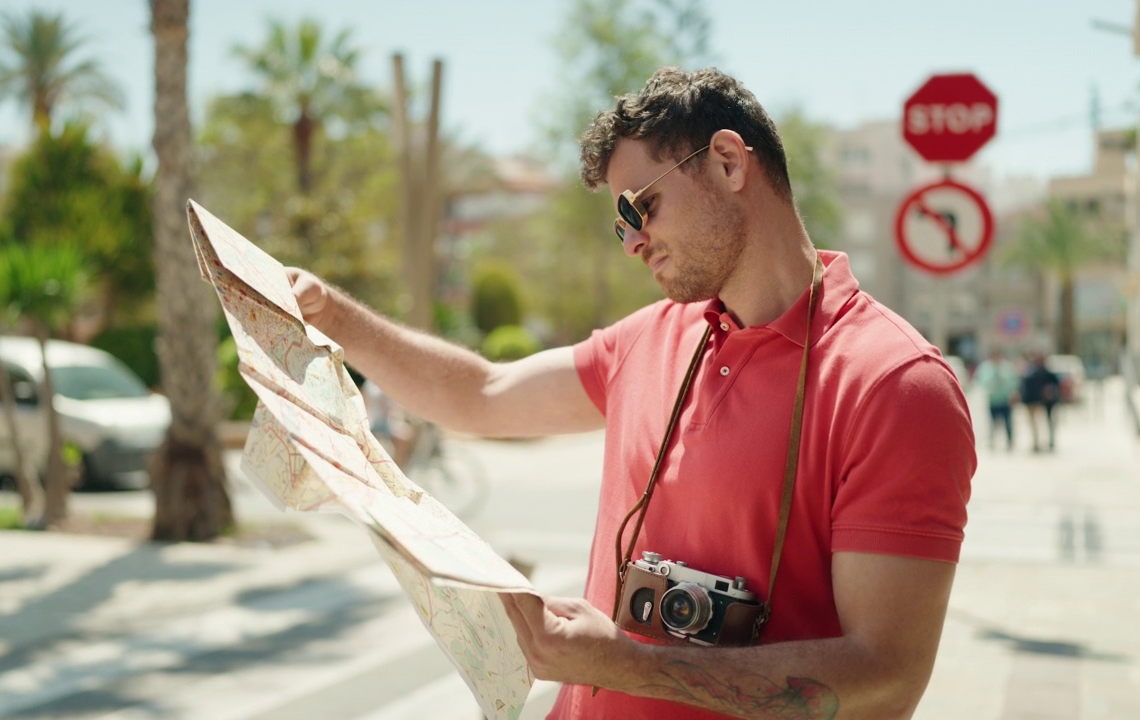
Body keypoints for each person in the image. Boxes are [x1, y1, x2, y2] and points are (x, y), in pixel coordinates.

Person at [288, 67, 975, 719]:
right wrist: (329, 315)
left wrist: (624, 662)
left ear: (730, 163)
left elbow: (885, 678)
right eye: (621, 224)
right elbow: (484, 393)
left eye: (640, 207)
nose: (632, 242)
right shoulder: (649, 337)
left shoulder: (896, 385)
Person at [973, 348, 1020, 450]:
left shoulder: (1007, 367)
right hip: (993, 399)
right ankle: (992, 441)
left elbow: (1014, 381)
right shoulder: (986, 367)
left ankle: (1009, 442)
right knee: (993, 422)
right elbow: (981, 381)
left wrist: (1012, 393)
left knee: (1007, 422)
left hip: (1005, 400)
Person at [1021, 353, 1061, 453]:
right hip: (1033, 401)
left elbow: (1055, 385)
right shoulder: (1031, 373)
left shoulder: (1046, 373)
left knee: (1044, 423)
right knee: (1035, 424)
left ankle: (1047, 442)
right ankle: (1037, 443)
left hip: (1043, 402)